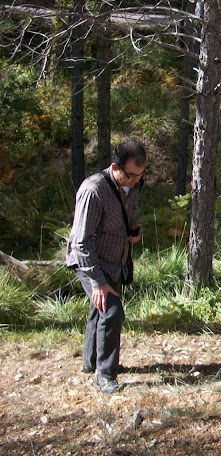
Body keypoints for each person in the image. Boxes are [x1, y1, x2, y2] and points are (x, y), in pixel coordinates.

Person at [66, 140, 146, 394]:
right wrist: (98, 283)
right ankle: (106, 375)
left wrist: (134, 229)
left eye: (140, 175)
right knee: (111, 313)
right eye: (131, 175)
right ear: (115, 167)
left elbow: (130, 214)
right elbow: (81, 242)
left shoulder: (132, 186)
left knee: (98, 310)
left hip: (115, 263)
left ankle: (90, 363)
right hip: (91, 264)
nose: (135, 180)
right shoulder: (93, 191)